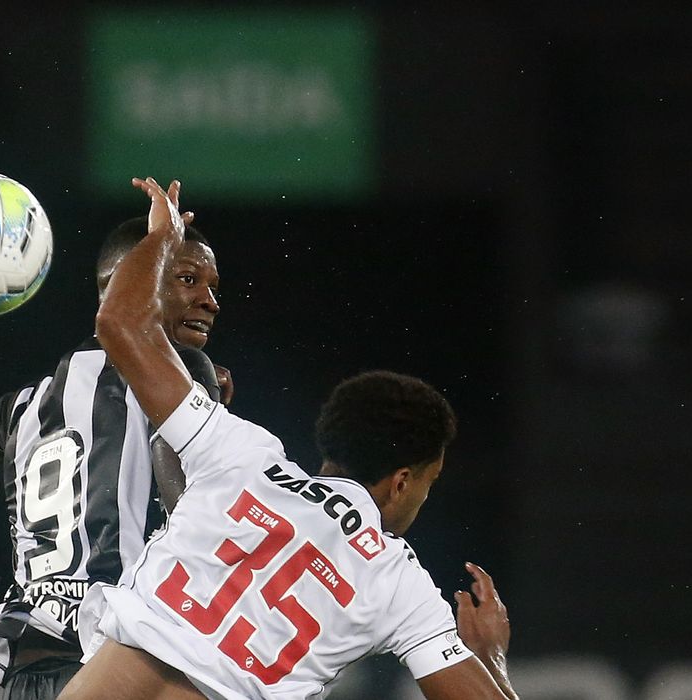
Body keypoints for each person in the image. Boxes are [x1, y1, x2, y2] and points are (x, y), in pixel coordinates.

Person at [60, 178, 519, 700]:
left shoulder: (237, 451)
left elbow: (119, 322)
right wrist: (490, 659)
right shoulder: (397, 582)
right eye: (428, 484)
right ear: (401, 482)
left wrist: (165, 236)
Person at [0, 213, 230, 698]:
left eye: (212, 286)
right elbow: (192, 512)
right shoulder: (177, 376)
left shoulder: (29, 404)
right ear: (126, 284)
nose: (209, 301)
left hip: (27, 674)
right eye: (187, 279)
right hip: (117, 666)